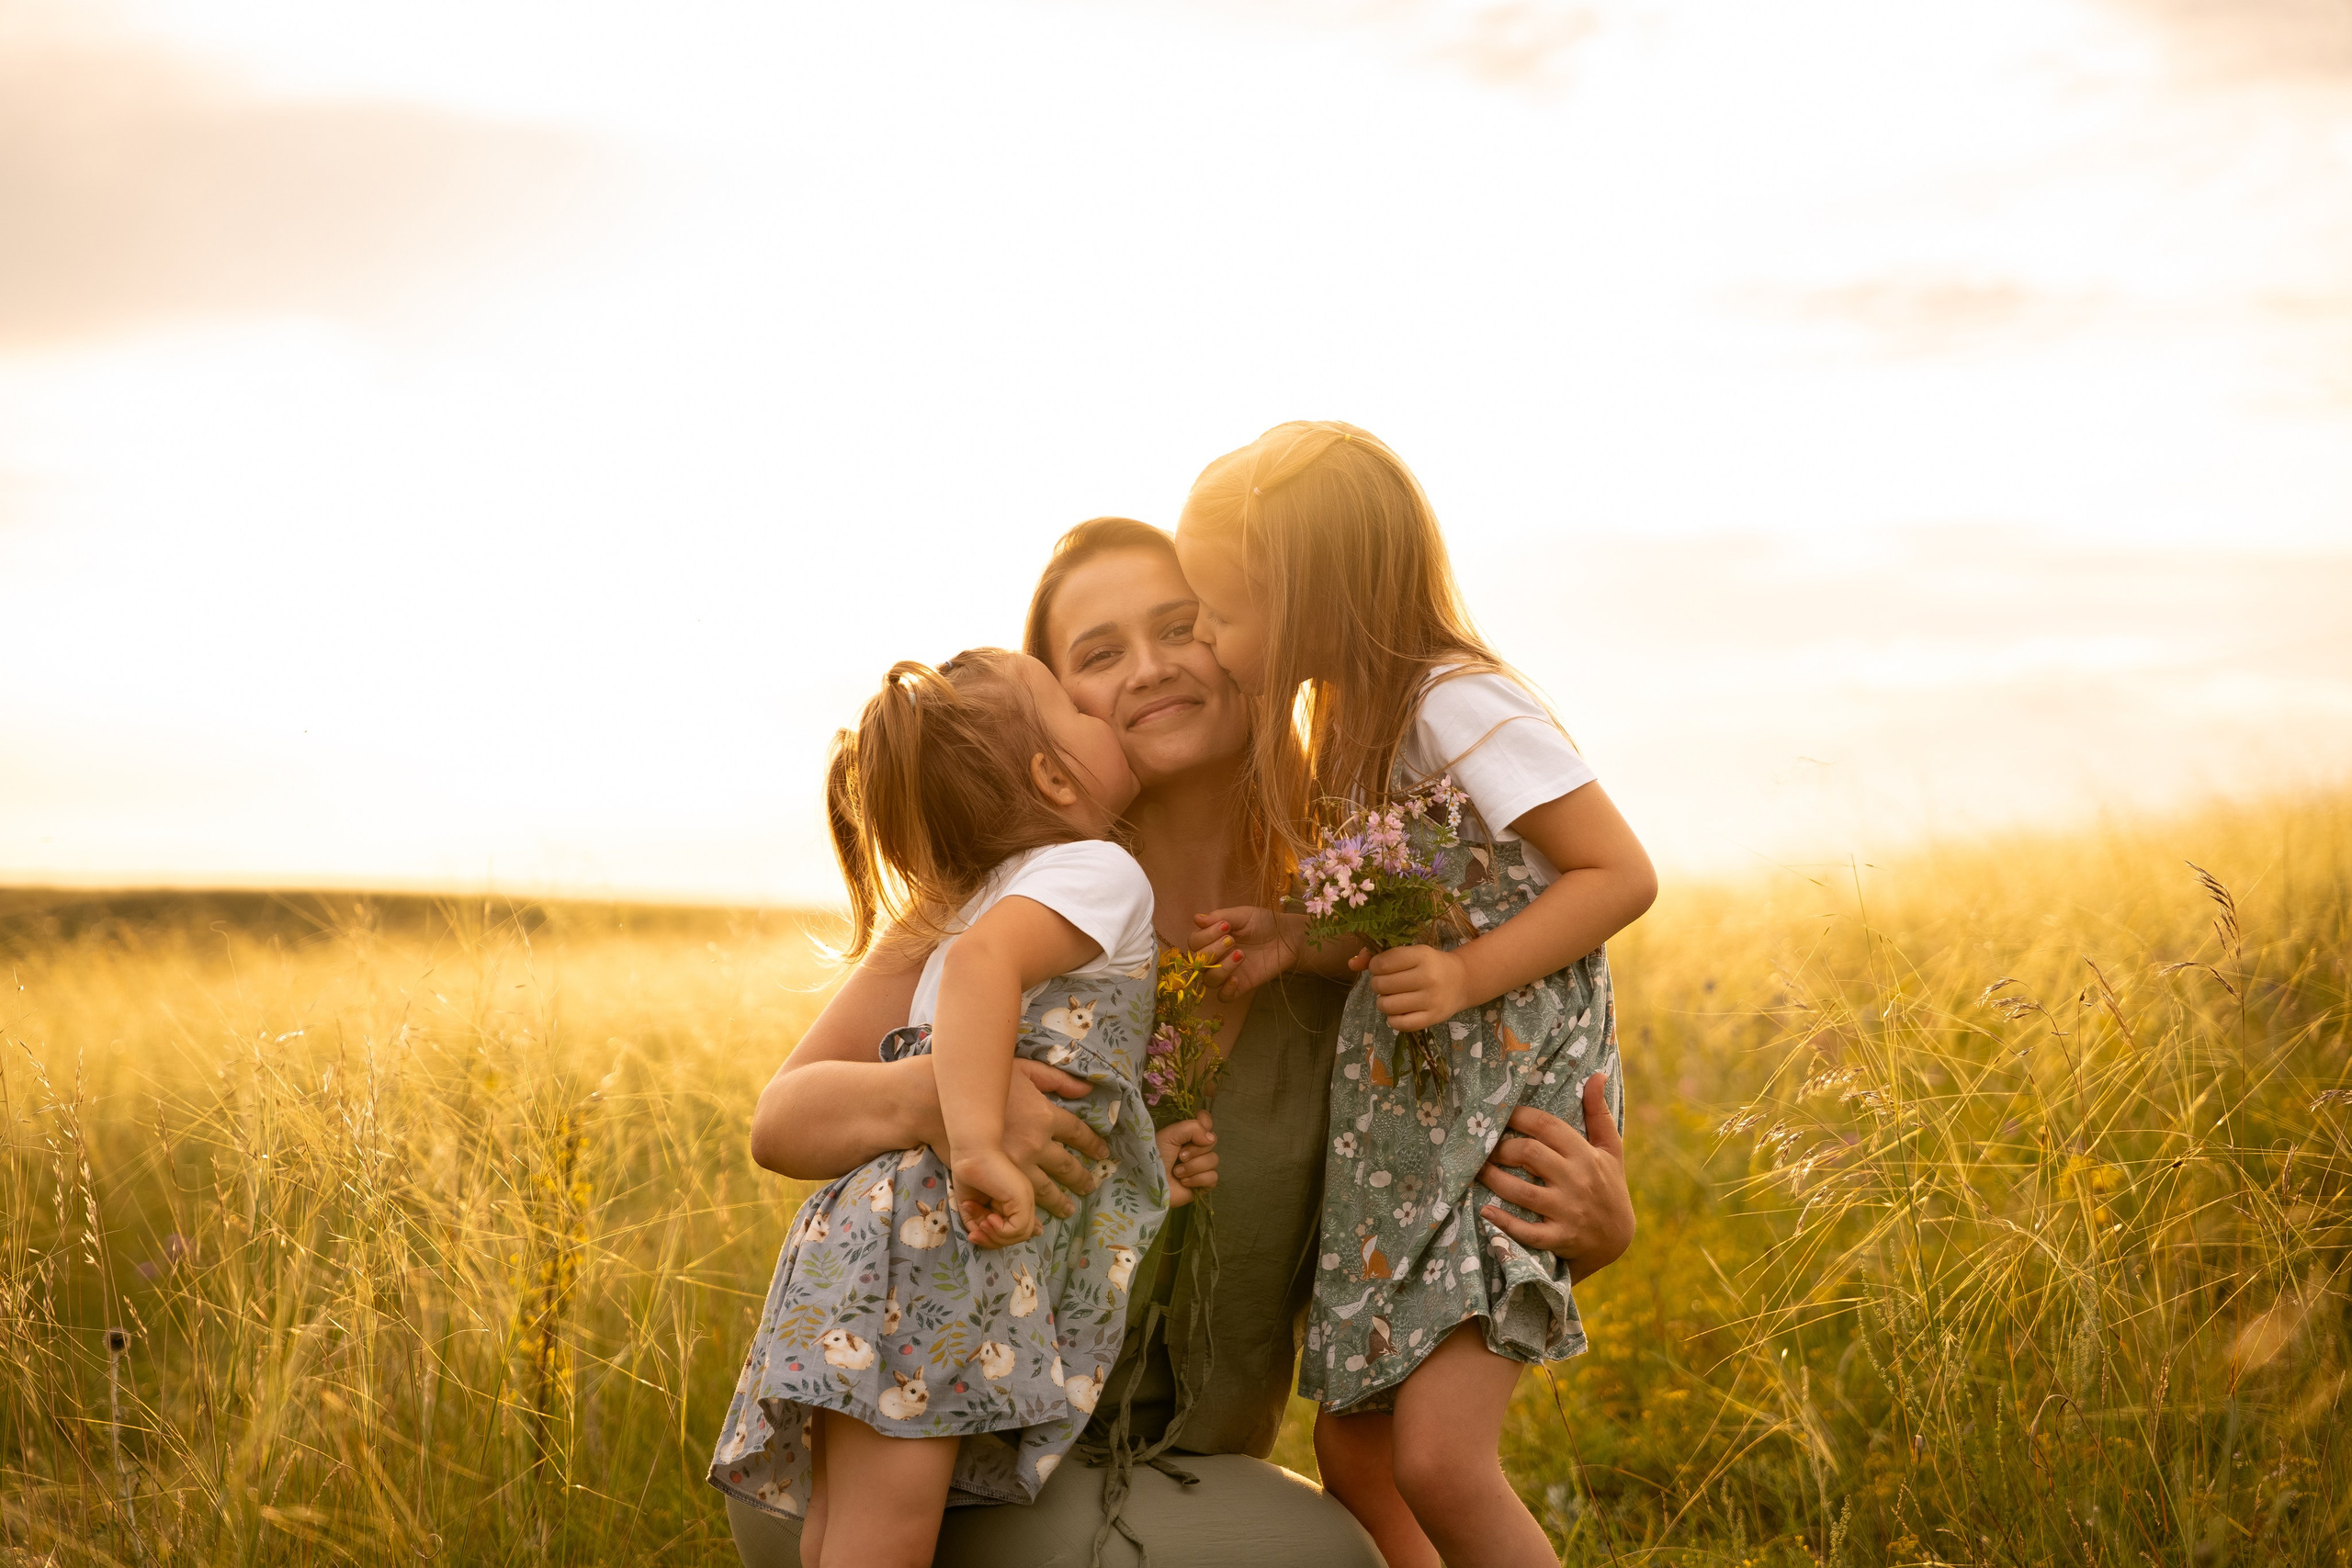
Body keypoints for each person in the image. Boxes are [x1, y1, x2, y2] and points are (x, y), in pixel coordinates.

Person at [724, 518, 1637, 1567]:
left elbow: (1436, 1212)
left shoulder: (1351, 924)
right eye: (1098, 657)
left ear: (1251, 642)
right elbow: (781, 1118)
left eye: (1182, 626)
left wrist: (1588, 1237)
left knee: (1333, 1543)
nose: (1152, 668)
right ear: (1055, 726)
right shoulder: (1006, 904)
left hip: (1177, 1478)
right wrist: (953, 1099)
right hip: (916, 1440)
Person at [1175, 423, 1657, 1568]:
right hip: (1415, 1120)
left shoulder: (1456, 704)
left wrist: (1467, 975)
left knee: (1439, 1458)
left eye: (1222, 609)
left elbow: (1616, 872)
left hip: (1495, 1115)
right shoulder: (1346, 726)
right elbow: (1406, 913)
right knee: (1354, 1454)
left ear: (1317, 599)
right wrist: (1300, 938)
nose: (1203, 635)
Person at [707, 649, 1213, 1568]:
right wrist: (976, 1141)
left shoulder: (979, 894)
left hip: (872, 1234)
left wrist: (1138, 1172)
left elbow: (1058, 1080)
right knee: (888, 1539)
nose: (1105, 708)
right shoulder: (1094, 867)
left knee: (843, 1535)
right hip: (936, 1243)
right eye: (1074, 702)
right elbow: (989, 968)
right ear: (1053, 777)